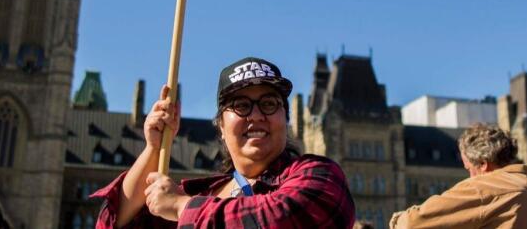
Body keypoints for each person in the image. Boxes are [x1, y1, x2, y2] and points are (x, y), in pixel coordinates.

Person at [92, 56, 355, 228]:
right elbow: (111, 223)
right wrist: (153, 148)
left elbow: (289, 216)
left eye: (269, 104)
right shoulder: (202, 195)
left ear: (285, 118)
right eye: (241, 105)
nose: (255, 115)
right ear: (220, 125)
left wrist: (179, 205)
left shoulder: (319, 175)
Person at [389, 123, 527, 228]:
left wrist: (397, 220)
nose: (469, 177)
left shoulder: (486, 188)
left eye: (468, 168)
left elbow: (412, 223)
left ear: (483, 164)